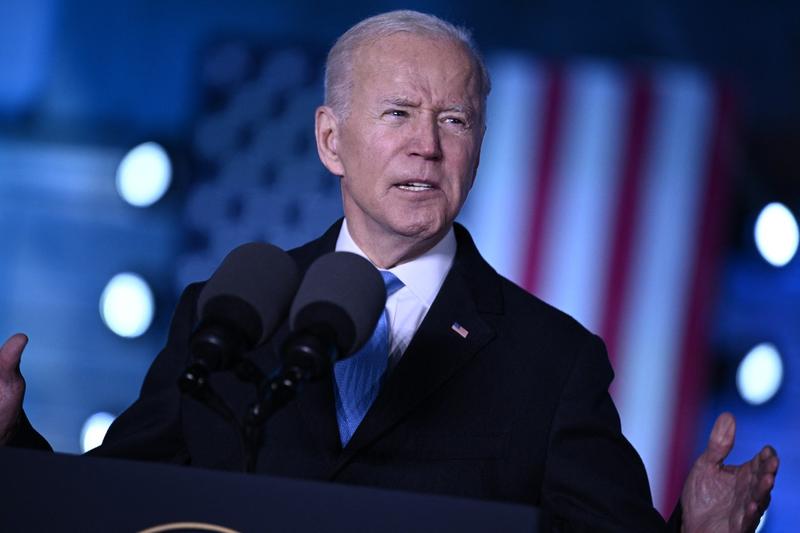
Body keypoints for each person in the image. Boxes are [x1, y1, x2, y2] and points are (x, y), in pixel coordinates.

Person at [0, 10, 777, 532]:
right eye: (398, 113)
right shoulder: (229, 312)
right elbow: (113, 503)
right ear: (330, 140)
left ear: (477, 148)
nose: (427, 146)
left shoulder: (552, 360)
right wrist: (11, 442)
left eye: (454, 120)